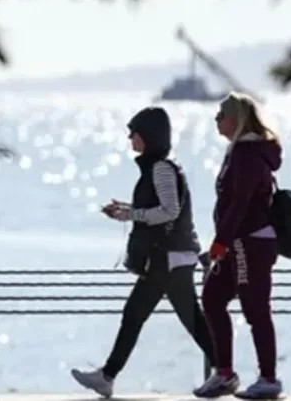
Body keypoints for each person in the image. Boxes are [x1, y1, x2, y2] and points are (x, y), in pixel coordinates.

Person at [71, 106, 214, 399]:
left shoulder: (160, 168)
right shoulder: (160, 167)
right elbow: (162, 208)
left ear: (148, 136)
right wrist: (127, 210)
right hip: (172, 258)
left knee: (143, 315)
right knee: (174, 318)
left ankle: (107, 377)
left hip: (167, 259)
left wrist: (129, 215)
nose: (129, 138)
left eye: (133, 132)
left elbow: (169, 210)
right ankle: (226, 371)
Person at [193, 93, 284, 400]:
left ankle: (269, 378)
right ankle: (225, 374)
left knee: (256, 309)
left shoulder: (246, 154)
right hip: (238, 242)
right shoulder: (242, 151)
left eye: (220, 115)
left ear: (235, 119)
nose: (216, 121)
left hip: (249, 241)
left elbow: (240, 205)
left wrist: (220, 243)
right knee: (213, 298)